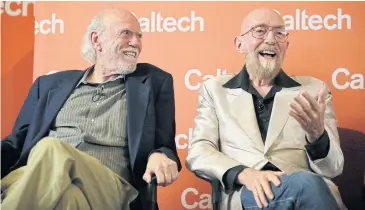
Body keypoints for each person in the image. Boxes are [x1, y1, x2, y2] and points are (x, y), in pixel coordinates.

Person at [1, 8, 181, 210]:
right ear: (96, 40)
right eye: (126, 33)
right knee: (69, 199)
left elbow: (164, 145)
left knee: (51, 148)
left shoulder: (154, 82)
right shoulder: (49, 84)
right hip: (39, 179)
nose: (136, 43)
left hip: (109, 187)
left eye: (139, 36)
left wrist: (160, 155)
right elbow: (18, 141)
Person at [186, 8, 345, 210]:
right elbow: (198, 152)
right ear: (239, 44)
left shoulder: (315, 90)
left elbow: (334, 168)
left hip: (306, 193)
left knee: (307, 184)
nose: (271, 39)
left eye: (279, 33)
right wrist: (244, 174)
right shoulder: (215, 90)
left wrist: (317, 137)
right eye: (260, 31)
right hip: (247, 194)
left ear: (286, 45)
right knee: (307, 184)